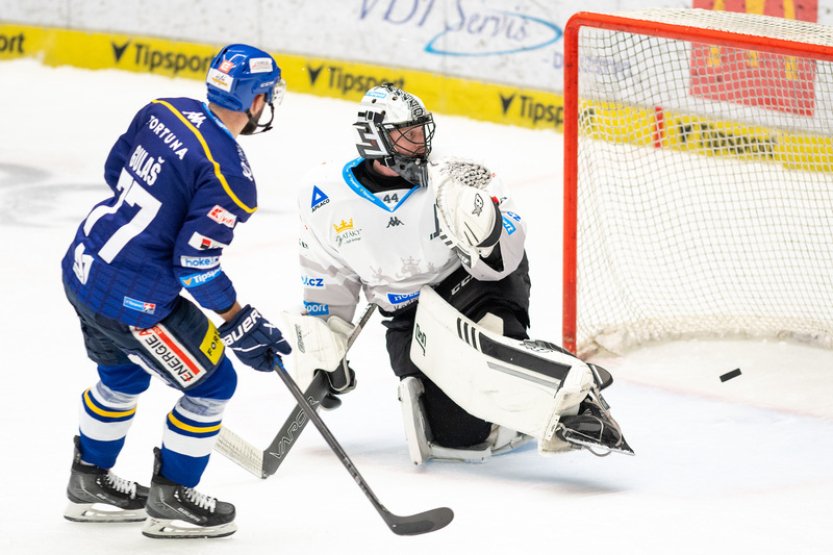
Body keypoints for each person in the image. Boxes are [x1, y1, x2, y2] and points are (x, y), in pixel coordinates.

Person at [293, 83, 632, 466]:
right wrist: (324, 353)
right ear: (375, 141)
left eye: (421, 131)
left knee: (484, 356)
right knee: (460, 437)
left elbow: (505, 258)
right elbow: (327, 280)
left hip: (475, 286)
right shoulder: (322, 196)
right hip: (409, 314)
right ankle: (509, 408)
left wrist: (486, 232)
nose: (419, 143)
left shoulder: (458, 175)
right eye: (406, 135)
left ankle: (576, 396)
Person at [61, 44, 291, 539]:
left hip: (84, 269)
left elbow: (114, 171)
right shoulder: (230, 173)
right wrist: (237, 319)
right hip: (134, 302)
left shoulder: (163, 110)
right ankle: (174, 501)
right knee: (213, 384)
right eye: (267, 95)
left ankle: (89, 482)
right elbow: (195, 266)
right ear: (253, 99)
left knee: (120, 376)